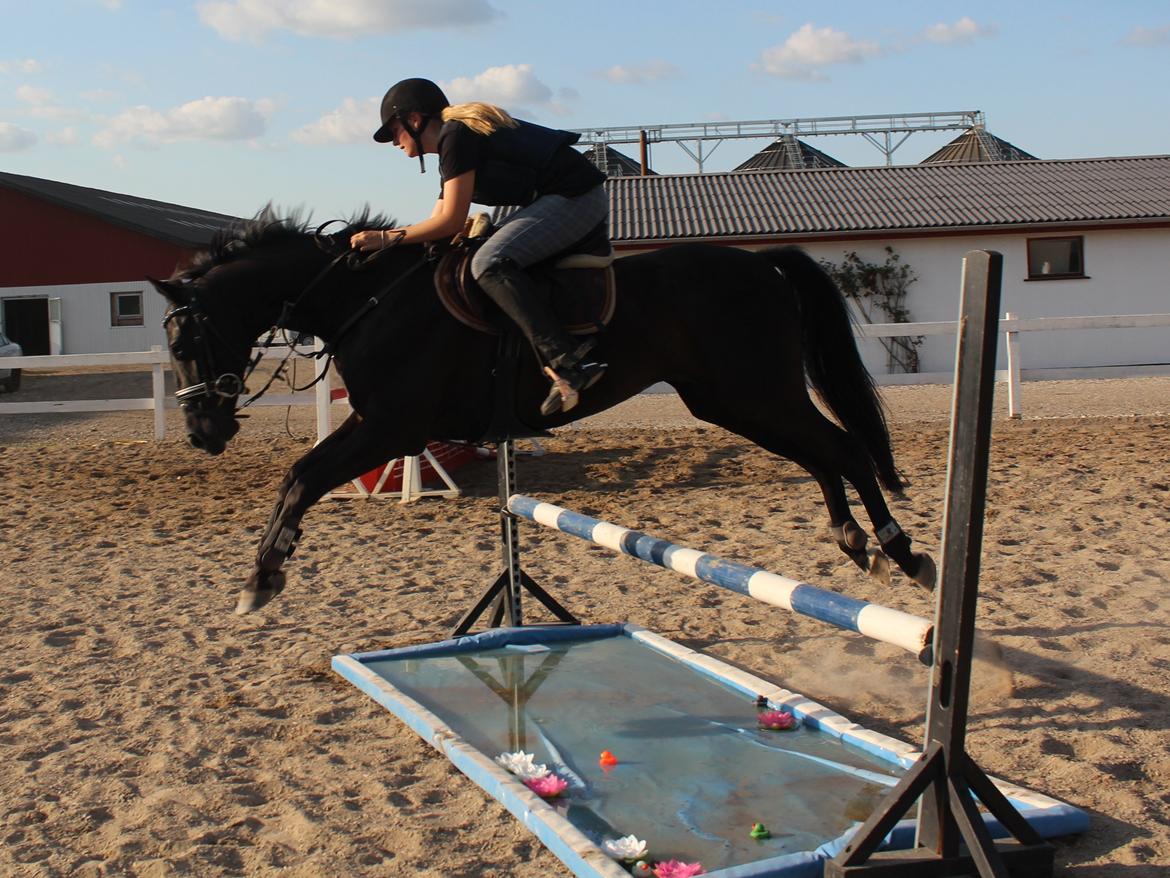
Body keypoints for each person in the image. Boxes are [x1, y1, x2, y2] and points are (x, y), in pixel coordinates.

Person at [350, 77, 608, 416]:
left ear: (414, 120)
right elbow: (436, 226)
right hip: (556, 198)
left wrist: (384, 238)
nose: (393, 142)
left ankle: (568, 363)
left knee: (488, 262)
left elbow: (450, 222)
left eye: (393, 131)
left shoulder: (456, 136)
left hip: (577, 198)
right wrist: (392, 246)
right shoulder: (451, 143)